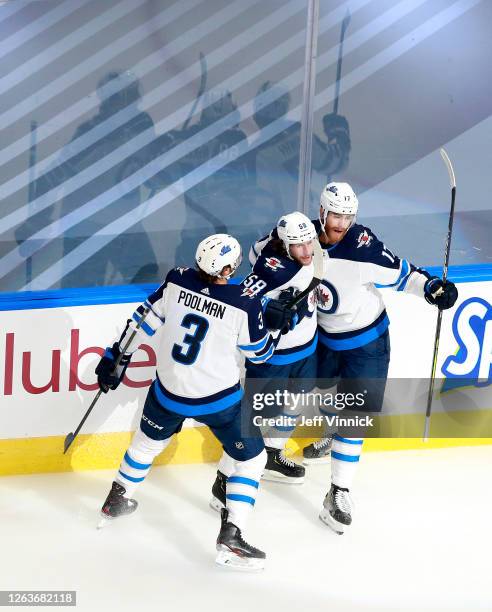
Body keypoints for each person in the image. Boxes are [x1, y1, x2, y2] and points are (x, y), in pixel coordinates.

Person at [95, 234, 281, 571]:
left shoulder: (176, 280)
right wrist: (277, 328)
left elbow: (142, 322)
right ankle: (232, 533)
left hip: (168, 393)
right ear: (229, 267)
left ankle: (117, 497)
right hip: (218, 401)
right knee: (253, 460)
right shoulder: (244, 302)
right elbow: (261, 355)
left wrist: (116, 359)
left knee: (145, 443)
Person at [301, 182, 458, 534]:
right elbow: (261, 254)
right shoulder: (303, 236)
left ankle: (338, 491)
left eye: (348, 216)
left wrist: (432, 288)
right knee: (324, 391)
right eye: (335, 215)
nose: (341, 222)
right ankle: (331, 430)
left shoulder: (363, 245)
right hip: (324, 337)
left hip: (366, 343)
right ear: (322, 212)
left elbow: (403, 273)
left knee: (355, 416)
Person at [210, 212, 318, 513]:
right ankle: (222, 479)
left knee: (298, 400)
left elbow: (257, 248)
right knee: (252, 421)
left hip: (305, 349)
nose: (307, 251)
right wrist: (269, 306)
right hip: (273, 356)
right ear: (285, 246)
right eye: (298, 246)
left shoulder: (282, 244)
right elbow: (243, 297)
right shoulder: (276, 269)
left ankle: (272, 453)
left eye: (309, 242)